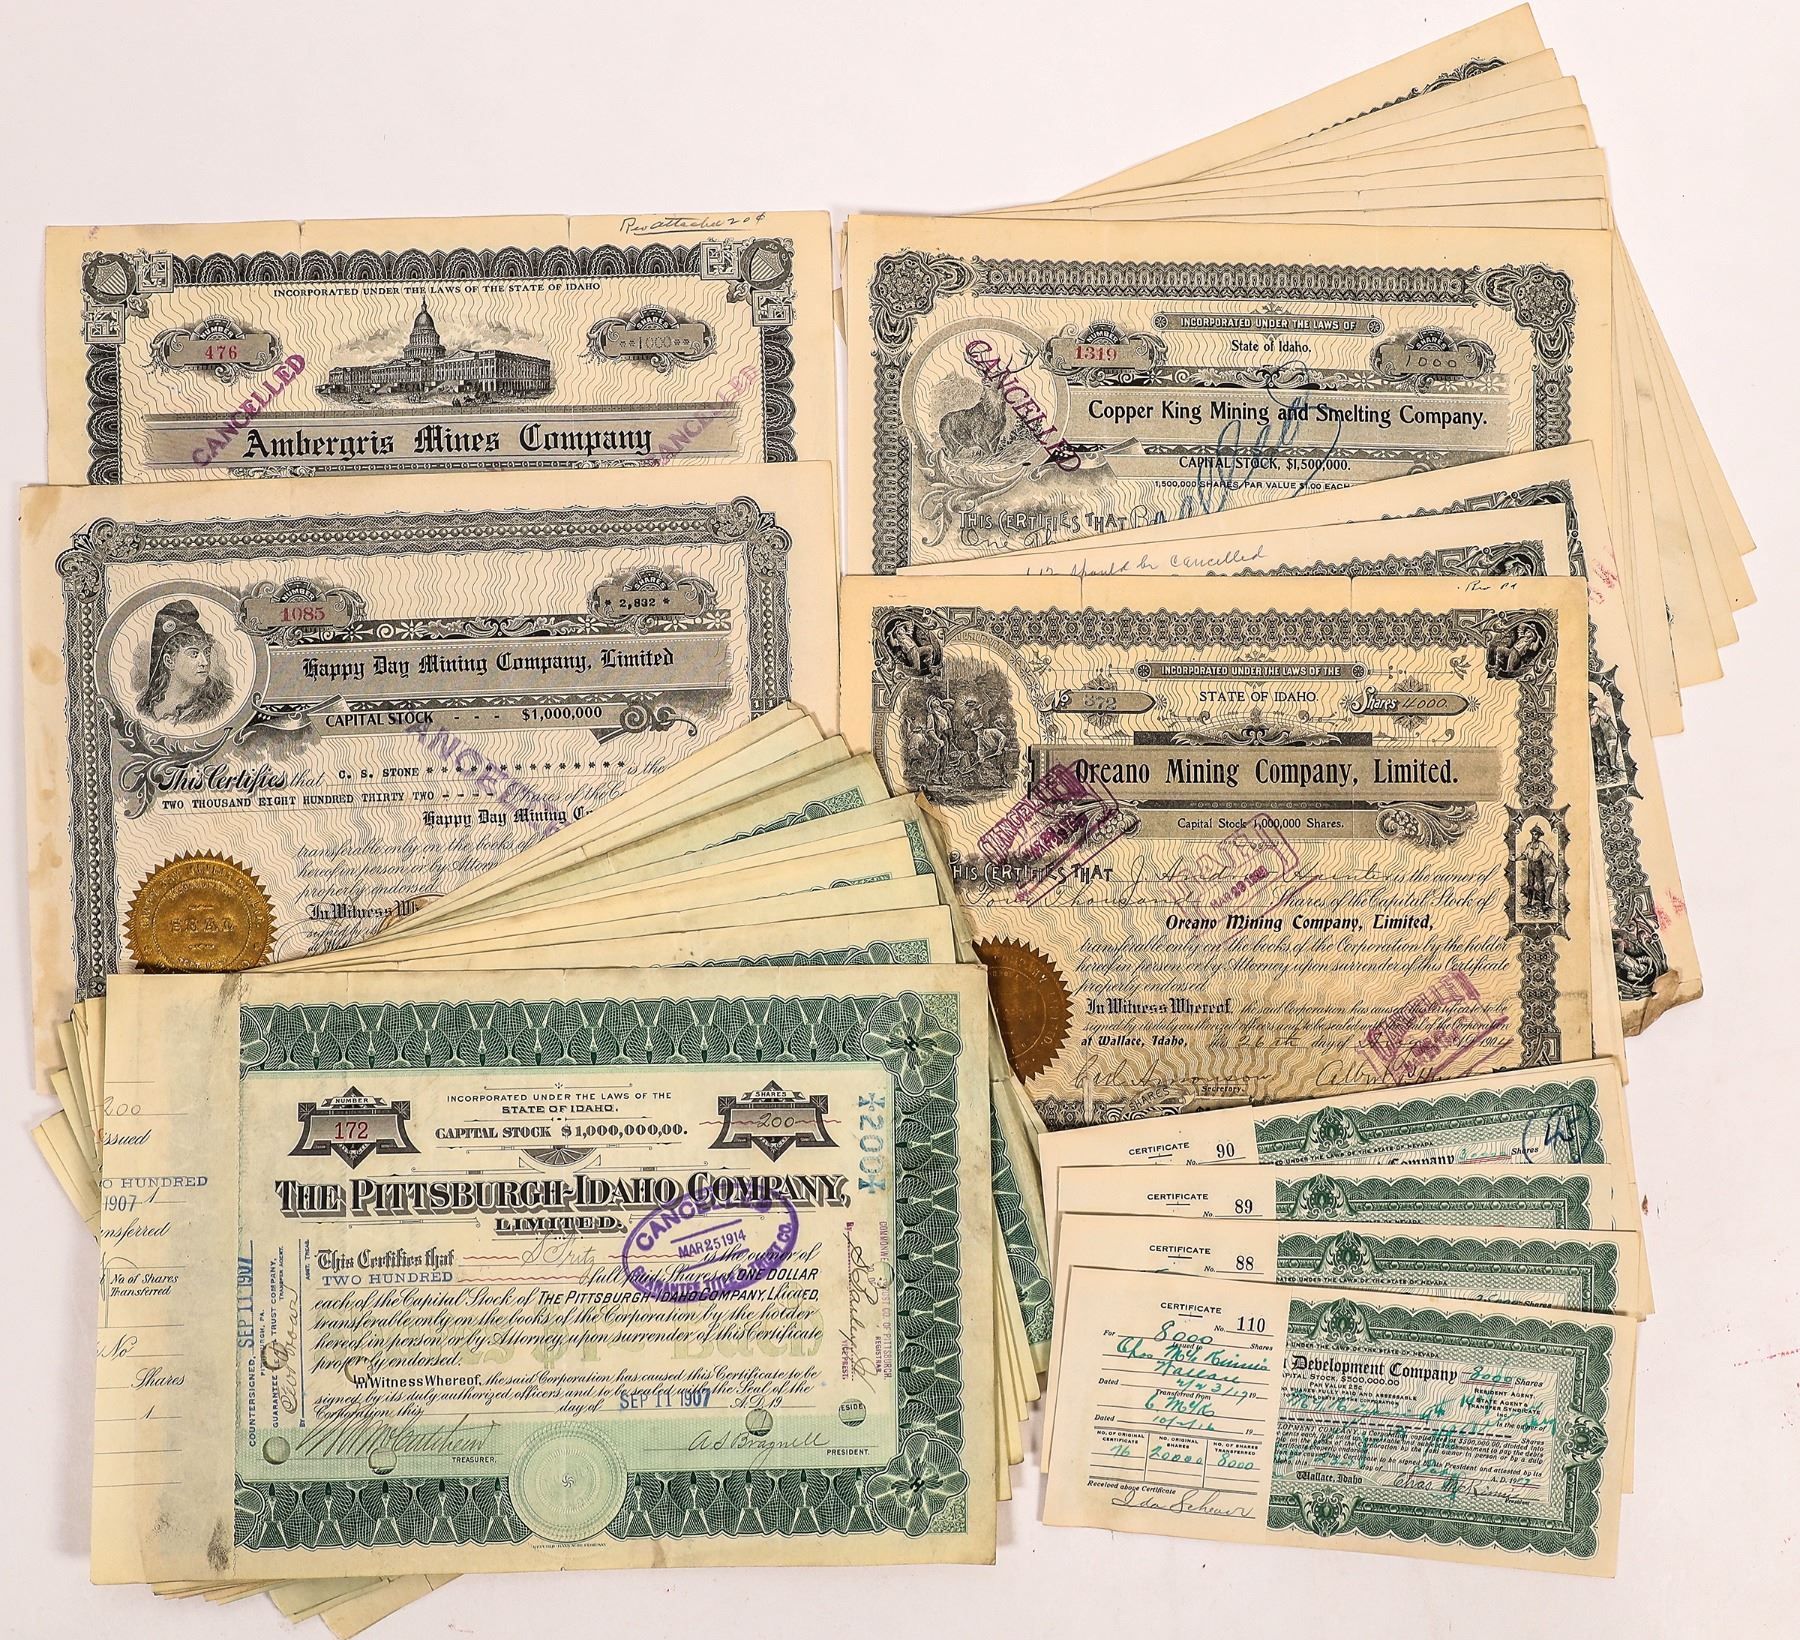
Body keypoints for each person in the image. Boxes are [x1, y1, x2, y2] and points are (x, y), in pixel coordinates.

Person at [138, 599, 232, 725]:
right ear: (169, 661)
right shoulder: (147, 706)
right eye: (194, 654)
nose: (205, 662)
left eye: (207, 652)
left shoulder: (220, 703)